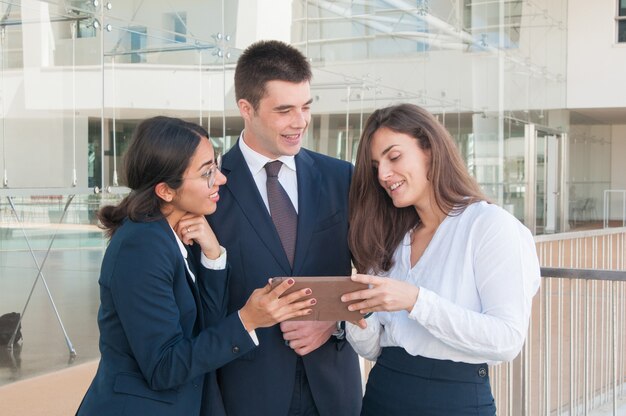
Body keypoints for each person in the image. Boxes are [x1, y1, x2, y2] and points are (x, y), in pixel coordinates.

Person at [76, 116, 315, 416]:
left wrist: (213, 255)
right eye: (207, 173)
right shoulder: (141, 247)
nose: (221, 179)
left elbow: (204, 327)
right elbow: (164, 367)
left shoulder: (173, 235)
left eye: (215, 167)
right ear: (165, 191)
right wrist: (247, 320)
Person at [341, 103, 541, 415]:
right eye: (375, 165)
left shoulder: (488, 226)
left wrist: (415, 300)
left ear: (431, 151)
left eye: (394, 157)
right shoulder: (389, 236)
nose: (383, 174)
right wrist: (354, 314)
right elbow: (372, 349)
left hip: (454, 400)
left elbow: (507, 340)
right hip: (382, 392)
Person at [207, 40, 362, 416]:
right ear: (246, 109)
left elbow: (383, 271)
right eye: (285, 110)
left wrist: (335, 322)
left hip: (333, 388)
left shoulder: (342, 178)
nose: (300, 121)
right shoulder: (210, 190)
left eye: (306, 106)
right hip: (246, 392)